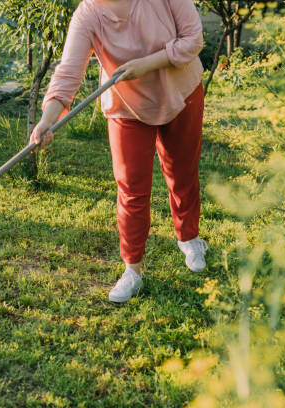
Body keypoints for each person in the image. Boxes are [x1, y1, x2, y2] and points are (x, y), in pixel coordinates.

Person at [30, 0, 208, 303]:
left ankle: (189, 237)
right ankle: (132, 270)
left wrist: (146, 63)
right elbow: (68, 73)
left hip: (181, 92)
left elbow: (193, 40)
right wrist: (47, 120)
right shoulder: (88, 14)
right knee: (131, 186)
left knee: (181, 171)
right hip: (126, 105)